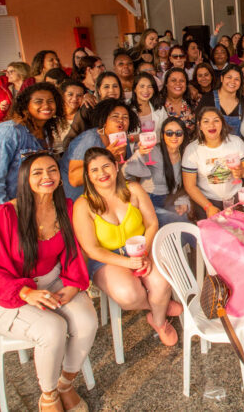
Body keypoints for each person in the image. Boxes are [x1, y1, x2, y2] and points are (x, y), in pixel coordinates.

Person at [0, 152, 96, 412]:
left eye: (53, 170)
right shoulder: (4, 215)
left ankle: (66, 384)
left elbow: (75, 250)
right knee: (52, 329)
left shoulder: (66, 208)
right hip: (10, 295)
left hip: (54, 283)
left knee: (87, 322)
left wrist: (74, 284)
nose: (47, 177)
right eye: (38, 172)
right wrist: (25, 293)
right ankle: (49, 395)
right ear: (25, 179)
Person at [72, 147, 179, 346]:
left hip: (143, 247)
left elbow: (152, 223)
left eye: (106, 166)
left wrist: (144, 252)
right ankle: (157, 306)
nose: (102, 173)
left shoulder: (134, 190)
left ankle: (159, 321)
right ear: (88, 175)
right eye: (94, 170)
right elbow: (92, 249)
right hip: (108, 258)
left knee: (162, 282)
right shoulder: (83, 205)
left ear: (115, 166)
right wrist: (128, 262)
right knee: (129, 296)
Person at [0, 83, 65, 231]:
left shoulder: (46, 133)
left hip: (19, 202)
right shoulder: (9, 132)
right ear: (25, 106)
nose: (46, 105)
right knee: (1, 249)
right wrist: (8, 213)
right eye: (38, 101)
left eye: (51, 101)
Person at [182, 108, 244, 218]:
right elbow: (190, 186)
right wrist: (208, 207)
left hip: (236, 198)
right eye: (206, 121)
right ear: (199, 125)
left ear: (222, 123)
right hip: (207, 201)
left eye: (216, 120)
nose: (211, 125)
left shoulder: (235, 142)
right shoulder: (192, 150)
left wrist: (242, 172)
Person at [61, 99, 138, 200]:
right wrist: (106, 156)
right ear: (104, 120)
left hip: (103, 195)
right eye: (115, 116)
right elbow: (74, 179)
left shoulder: (122, 139)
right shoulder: (89, 139)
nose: (121, 120)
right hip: (78, 198)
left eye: (125, 117)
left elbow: (123, 170)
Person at [124, 117, 191, 226]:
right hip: (149, 198)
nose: (174, 136)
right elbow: (126, 171)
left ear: (184, 135)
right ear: (162, 135)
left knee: (182, 216)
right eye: (169, 133)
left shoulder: (185, 154)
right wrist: (139, 154)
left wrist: (183, 200)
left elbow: (185, 184)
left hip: (170, 198)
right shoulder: (152, 151)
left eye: (178, 133)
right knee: (179, 222)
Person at [195, 64, 244, 140]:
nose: (232, 81)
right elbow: (198, 125)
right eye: (229, 77)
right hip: (211, 147)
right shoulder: (208, 98)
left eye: (237, 79)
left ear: (240, 83)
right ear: (222, 78)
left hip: (236, 148)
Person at [54, 80, 85, 153]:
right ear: (62, 95)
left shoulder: (83, 118)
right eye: (70, 94)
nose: (74, 99)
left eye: (79, 95)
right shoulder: (53, 115)